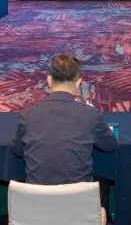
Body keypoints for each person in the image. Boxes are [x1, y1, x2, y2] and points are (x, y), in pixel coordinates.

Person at [12, 55, 116, 187]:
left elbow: (17, 150)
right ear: (78, 83)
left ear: (49, 80)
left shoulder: (28, 114)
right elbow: (109, 145)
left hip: (37, 198)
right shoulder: (91, 114)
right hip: (79, 198)